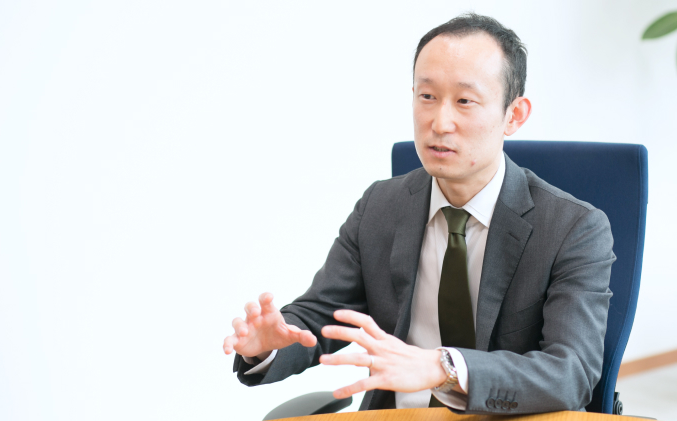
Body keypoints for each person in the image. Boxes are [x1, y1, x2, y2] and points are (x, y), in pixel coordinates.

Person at [223, 13, 615, 415]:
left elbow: (571, 374)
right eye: (427, 96)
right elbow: (323, 315)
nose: (440, 123)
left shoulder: (573, 228)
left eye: (464, 101)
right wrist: (271, 345)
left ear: (513, 115)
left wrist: (444, 368)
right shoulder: (380, 206)